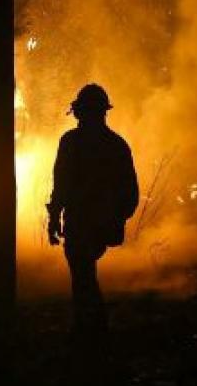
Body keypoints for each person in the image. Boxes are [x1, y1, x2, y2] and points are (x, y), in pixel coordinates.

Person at [47, 83, 139, 342]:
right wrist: (115, 220)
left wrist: (56, 217)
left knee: (82, 274)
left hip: (84, 222)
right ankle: (89, 328)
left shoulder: (72, 143)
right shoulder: (116, 145)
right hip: (90, 223)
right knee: (83, 273)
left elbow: (61, 186)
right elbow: (130, 194)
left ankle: (91, 329)